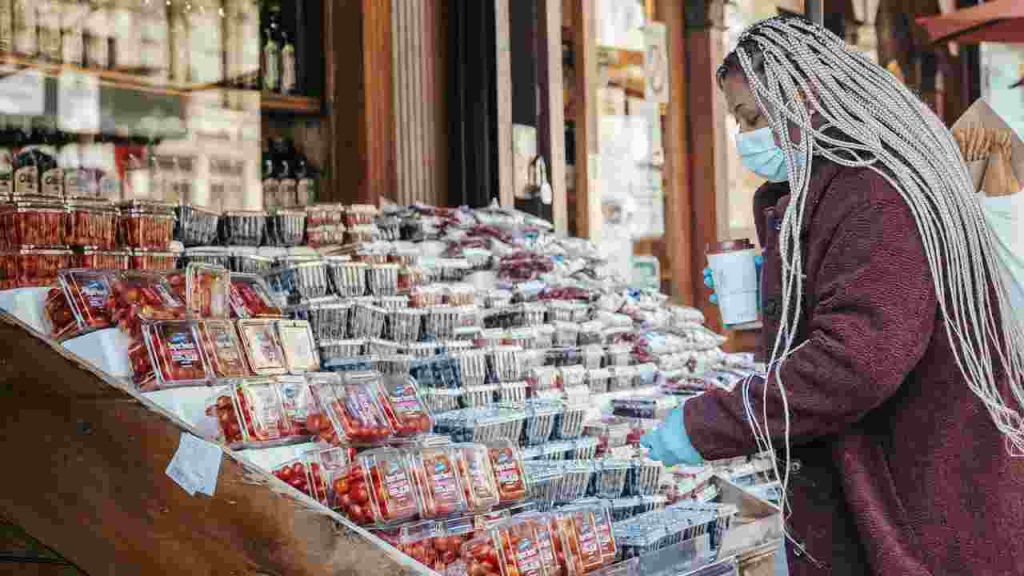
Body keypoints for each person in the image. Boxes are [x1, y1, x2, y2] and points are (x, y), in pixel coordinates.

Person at [641, 15, 1024, 576]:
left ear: (804, 96)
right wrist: (779, 278)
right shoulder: (851, 180)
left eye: (751, 117)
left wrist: (712, 424)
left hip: (921, 514)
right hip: (910, 499)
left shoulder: (875, 191)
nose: (744, 137)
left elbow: (856, 361)